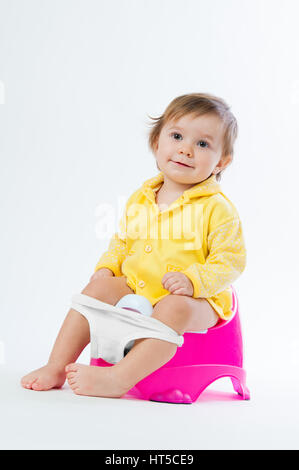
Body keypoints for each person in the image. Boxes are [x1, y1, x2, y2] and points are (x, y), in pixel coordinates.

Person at [21, 92, 246, 398]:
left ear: (221, 161)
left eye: (202, 143)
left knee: (173, 307)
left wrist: (194, 281)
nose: (186, 149)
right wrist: (107, 268)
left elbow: (231, 261)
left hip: (200, 301)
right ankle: (57, 365)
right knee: (96, 291)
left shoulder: (217, 208)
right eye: (177, 136)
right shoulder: (142, 197)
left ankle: (118, 378)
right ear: (157, 144)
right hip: (140, 288)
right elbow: (123, 241)